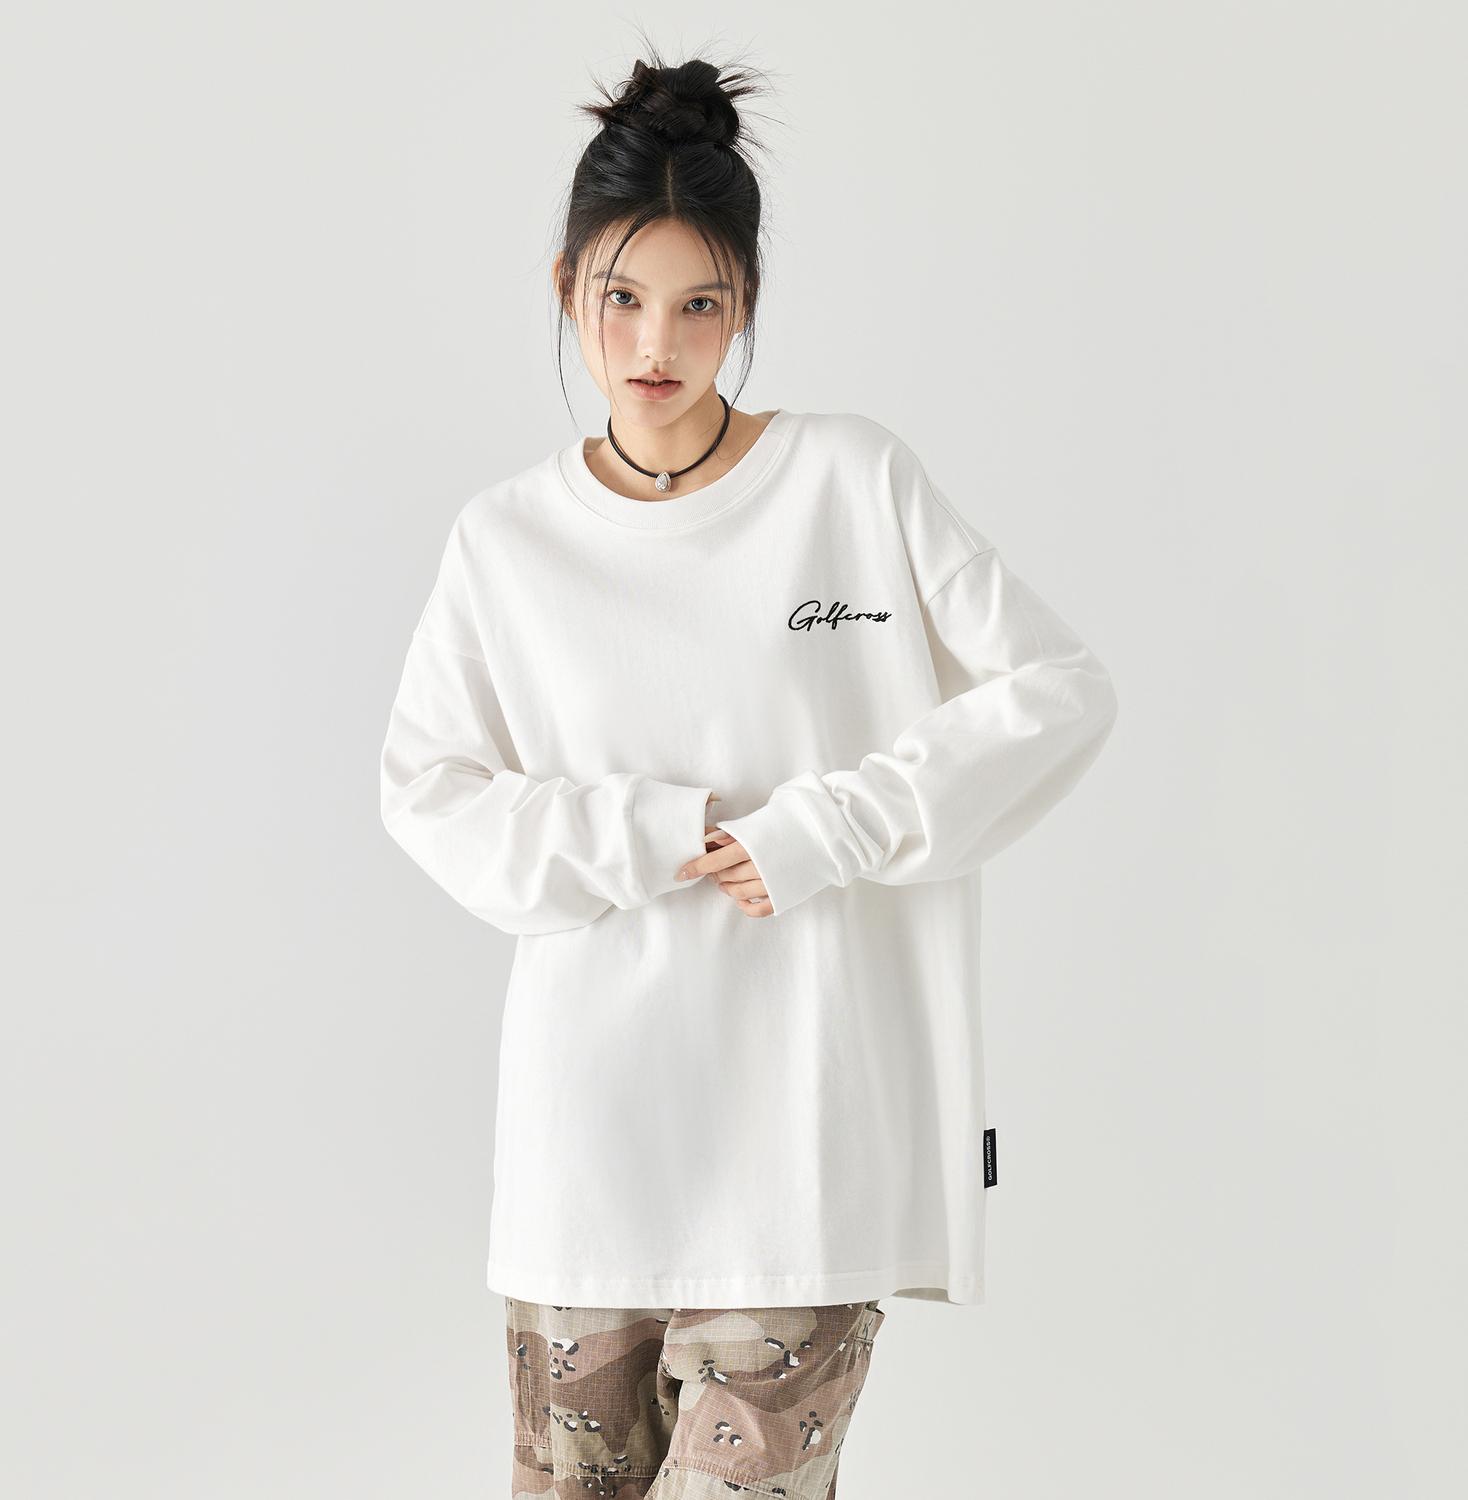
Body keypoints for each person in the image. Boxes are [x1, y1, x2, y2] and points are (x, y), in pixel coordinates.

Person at [378, 46, 1119, 1499]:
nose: (656, 342)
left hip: (804, 1164)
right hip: (586, 1165)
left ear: (748, 305)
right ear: (566, 290)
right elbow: (428, 793)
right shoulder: (506, 541)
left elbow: (1058, 692)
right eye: (622, 298)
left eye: (700, 304)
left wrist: (829, 825)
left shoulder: (852, 483)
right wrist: (653, 829)